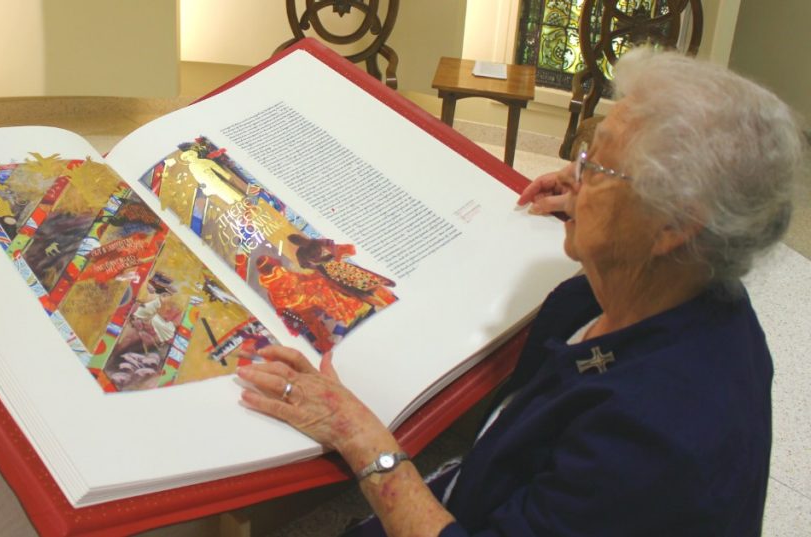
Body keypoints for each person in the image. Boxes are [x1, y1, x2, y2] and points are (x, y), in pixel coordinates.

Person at [235, 48, 807, 536]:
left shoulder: (654, 437)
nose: (573, 175)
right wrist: (598, 207)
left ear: (675, 227)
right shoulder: (695, 283)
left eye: (598, 166)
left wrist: (361, 438)